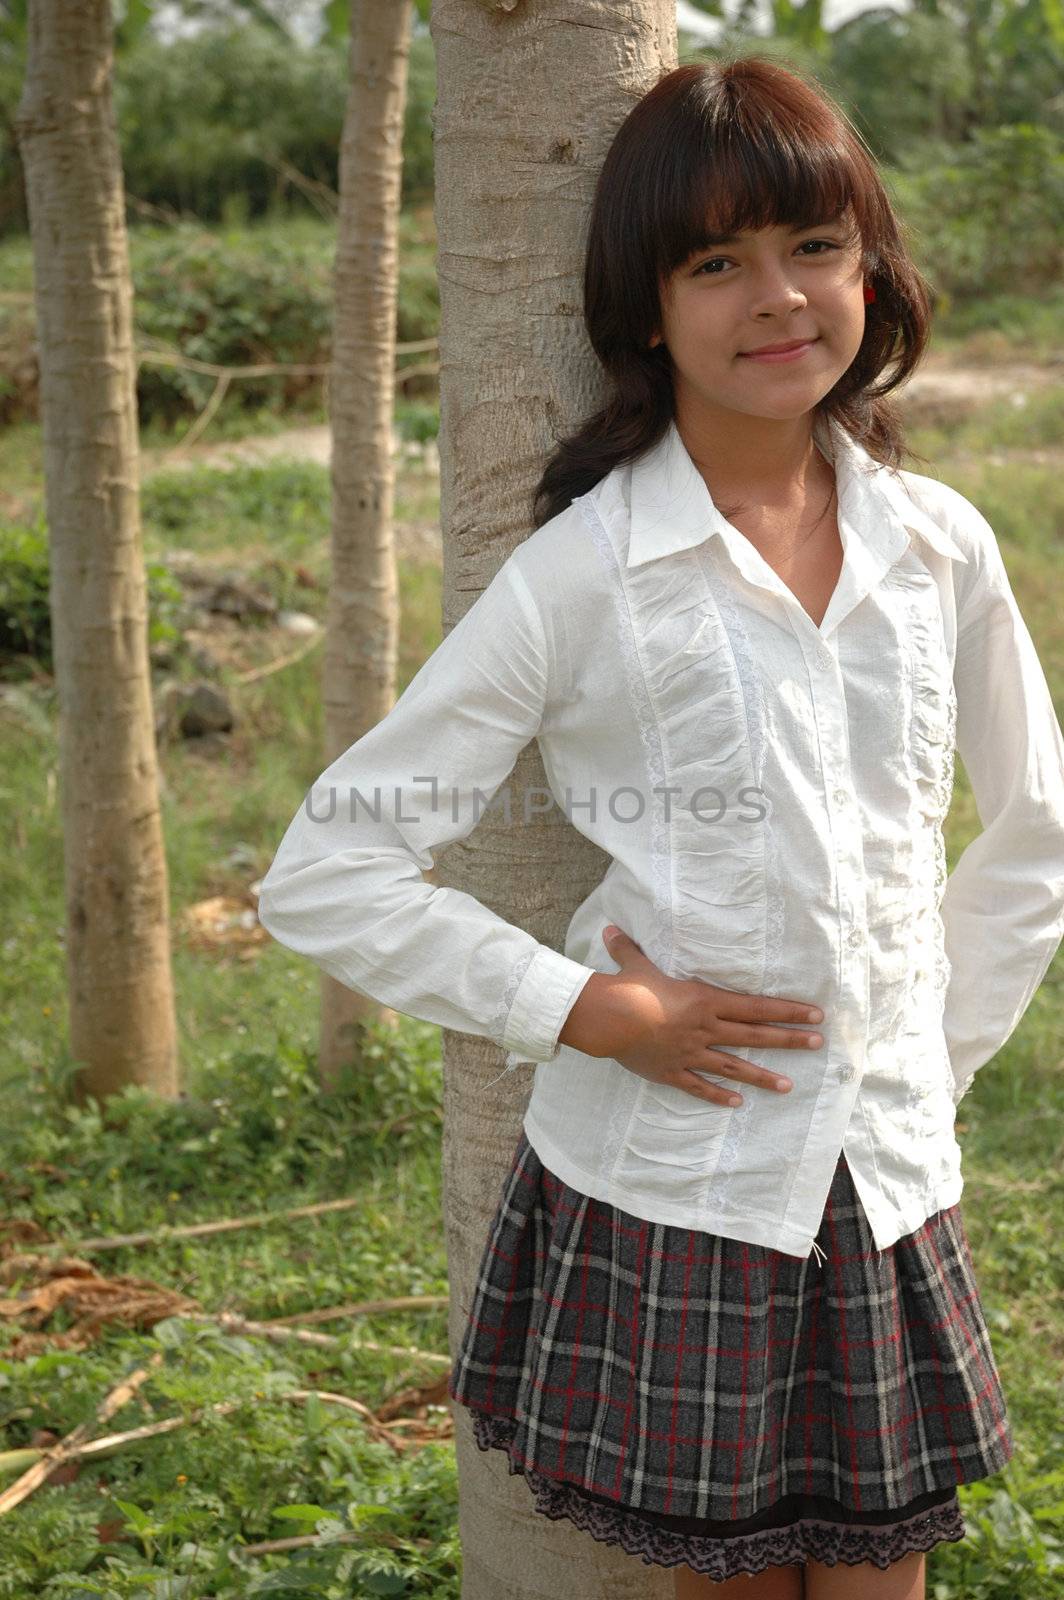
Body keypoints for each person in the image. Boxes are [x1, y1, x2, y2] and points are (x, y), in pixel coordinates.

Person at [256, 54, 1064, 1599]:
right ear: (645, 309)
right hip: (681, 1198)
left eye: (814, 246)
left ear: (871, 268)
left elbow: (1037, 832)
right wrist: (588, 1011)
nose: (779, 298)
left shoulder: (937, 544)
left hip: (888, 1181)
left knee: (889, 1581)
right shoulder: (589, 574)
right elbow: (331, 867)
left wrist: (921, 1055)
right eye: (717, 262)